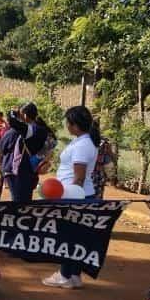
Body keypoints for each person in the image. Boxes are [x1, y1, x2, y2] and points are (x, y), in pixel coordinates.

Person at [42, 106, 100, 289]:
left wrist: (72, 200)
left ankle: (65, 275)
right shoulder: (83, 141)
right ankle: (74, 275)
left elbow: (80, 177)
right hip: (75, 193)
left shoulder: (83, 145)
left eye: (68, 122)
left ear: (75, 125)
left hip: (74, 195)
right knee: (75, 236)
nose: (66, 126)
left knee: (68, 236)